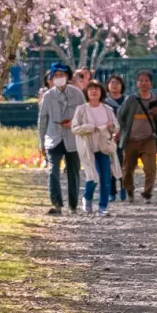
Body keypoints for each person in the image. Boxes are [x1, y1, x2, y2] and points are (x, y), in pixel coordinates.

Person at [37, 64, 84, 213]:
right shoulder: (48, 95)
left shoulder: (77, 94)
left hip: (73, 138)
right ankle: (56, 204)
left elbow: (84, 115)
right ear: (51, 78)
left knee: (73, 172)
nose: (59, 78)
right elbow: (42, 119)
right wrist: (41, 141)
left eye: (61, 75)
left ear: (68, 77)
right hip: (54, 137)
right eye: (55, 75)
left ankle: (73, 205)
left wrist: (74, 124)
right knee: (53, 171)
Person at [118, 70, 157, 201]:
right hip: (131, 140)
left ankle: (147, 193)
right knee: (127, 170)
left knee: (150, 169)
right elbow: (120, 116)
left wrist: (156, 113)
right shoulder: (131, 100)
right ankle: (129, 191)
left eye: (147, 81)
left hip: (149, 140)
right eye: (141, 81)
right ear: (137, 83)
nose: (144, 83)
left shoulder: (156, 99)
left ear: (151, 83)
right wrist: (122, 132)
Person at [72, 81, 119, 213]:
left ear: (101, 92)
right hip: (88, 147)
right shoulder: (81, 110)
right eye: (91, 89)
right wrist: (88, 128)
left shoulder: (107, 109)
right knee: (93, 176)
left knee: (105, 177)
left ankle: (102, 207)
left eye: (97, 89)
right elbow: (74, 128)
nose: (94, 91)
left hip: (103, 147)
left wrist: (112, 127)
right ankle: (87, 197)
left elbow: (117, 127)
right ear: (86, 93)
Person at [105, 75, 129, 199]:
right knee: (111, 164)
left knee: (124, 163)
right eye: (112, 82)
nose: (114, 85)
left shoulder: (128, 101)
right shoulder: (104, 102)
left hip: (125, 136)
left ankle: (124, 188)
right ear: (108, 86)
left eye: (117, 83)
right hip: (108, 137)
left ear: (122, 86)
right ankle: (112, 191)